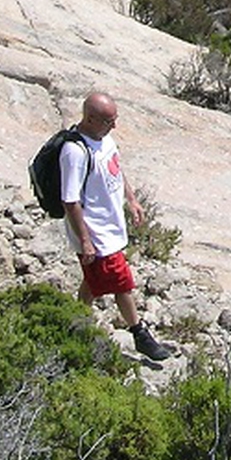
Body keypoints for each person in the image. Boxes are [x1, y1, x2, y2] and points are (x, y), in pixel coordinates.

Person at [59, 91, 176, 363]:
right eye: (107, 121)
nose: (114, 126)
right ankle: (139, 333)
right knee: (121, 283)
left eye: (114, 120)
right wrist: (85, 240)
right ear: (89, 118)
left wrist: (132, 199)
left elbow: (115, 169)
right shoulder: (75, 152)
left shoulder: (105, 139)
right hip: (95, 232)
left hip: (111, 226)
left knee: (92, 282)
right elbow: (70, 200)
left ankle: (74, 323)